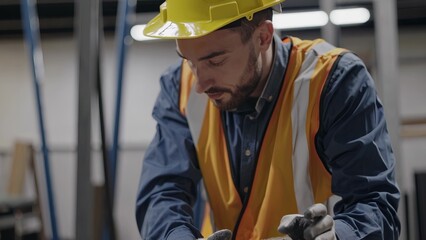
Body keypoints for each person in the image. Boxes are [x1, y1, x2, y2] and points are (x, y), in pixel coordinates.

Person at [135, 0, 401, 239]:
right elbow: (162, 193)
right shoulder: (179, 87)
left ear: (262, 36)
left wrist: (338, 236)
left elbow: (374, 202)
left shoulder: (333, 81)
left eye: (215, 61)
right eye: (189, 61)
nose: (199, 84)